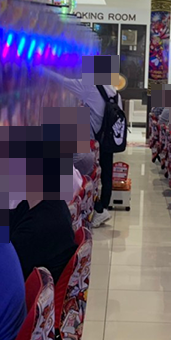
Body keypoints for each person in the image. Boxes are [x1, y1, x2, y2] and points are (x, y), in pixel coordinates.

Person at [43, 67, 123, 228]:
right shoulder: (114, 92)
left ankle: (97, 209)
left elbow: (64, 82)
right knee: (106, 173)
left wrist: (41, 70)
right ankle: (102, 207)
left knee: (82, 173)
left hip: (93, 141)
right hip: (109, 139)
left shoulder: (89, 87)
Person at [10, 199, 78, 284]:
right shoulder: (50, 202)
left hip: (22, 282)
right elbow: (14, 217)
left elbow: (6, 267)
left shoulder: (36, 227)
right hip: (29, 270)